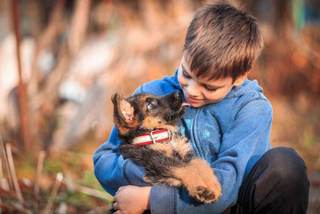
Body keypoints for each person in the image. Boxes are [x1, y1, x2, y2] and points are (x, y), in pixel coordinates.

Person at [93, 3, 309, 214]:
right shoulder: (151, 93)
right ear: (184, 51)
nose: (192, 91)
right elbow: (105, 158)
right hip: (168, 200)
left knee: (286, 167)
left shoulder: (251, 109)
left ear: (239, 77)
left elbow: (227, 184)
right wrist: (148, 172)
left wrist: (151, 198)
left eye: (209, 86)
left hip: (228, 204)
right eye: (186, 74)